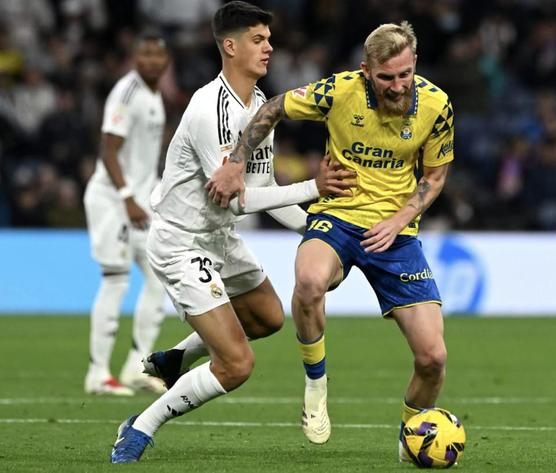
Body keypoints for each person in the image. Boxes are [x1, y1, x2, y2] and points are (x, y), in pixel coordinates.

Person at [109, 1, 354, 463]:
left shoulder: (260, 106)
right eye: (258, 40)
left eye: (269, 39)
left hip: (220, 237)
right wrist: (314, 187)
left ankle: (176, 357)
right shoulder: (210, 109)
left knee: (268, 317)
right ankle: (140, 426)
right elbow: (237, 199)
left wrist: (319, 231)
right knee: (237, 364)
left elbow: (264, 188)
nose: (269, 48)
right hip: (182, 242)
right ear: (230, 46)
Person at [207, 21, 455, 460]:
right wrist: (236, 164)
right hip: (337, 216)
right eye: (386, 77)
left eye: (405, 74)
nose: (398, 86)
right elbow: (273, 109)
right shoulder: (339, 91)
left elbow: (434, 177)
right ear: (366, 71)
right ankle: (316, 384)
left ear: (415, 64)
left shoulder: (436, 105)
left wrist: (399, 220)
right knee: (308, 282)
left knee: (433, 358)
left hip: (396, 234)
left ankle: (411, 437)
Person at [83, 31, 170, 396]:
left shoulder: (155, 95)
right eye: (144, 54)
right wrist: (127, 197)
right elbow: (108, 150)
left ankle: (137, 367)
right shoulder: (127, 92)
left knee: (160, 277)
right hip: (113, 200)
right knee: (115, 279)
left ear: (166, 61)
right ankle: (98, 373)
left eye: (157, 54)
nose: (151, 60)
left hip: (141, 203)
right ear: (135, 58)